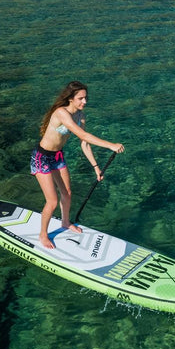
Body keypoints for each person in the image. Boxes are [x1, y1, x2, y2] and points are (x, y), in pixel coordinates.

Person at [30, 81, 125, 249]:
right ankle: (43, 235)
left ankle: (65, 222)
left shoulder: (80, 115)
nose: (85, 102)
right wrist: (110, 145)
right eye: (81, 98)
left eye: (86, 98)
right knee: (52, 201)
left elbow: (84, 143)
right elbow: (84, 135)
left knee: (67, 193)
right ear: (71, 99)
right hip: (42, 157)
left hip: (57, 156)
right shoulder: (61, 113)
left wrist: (96, 167)